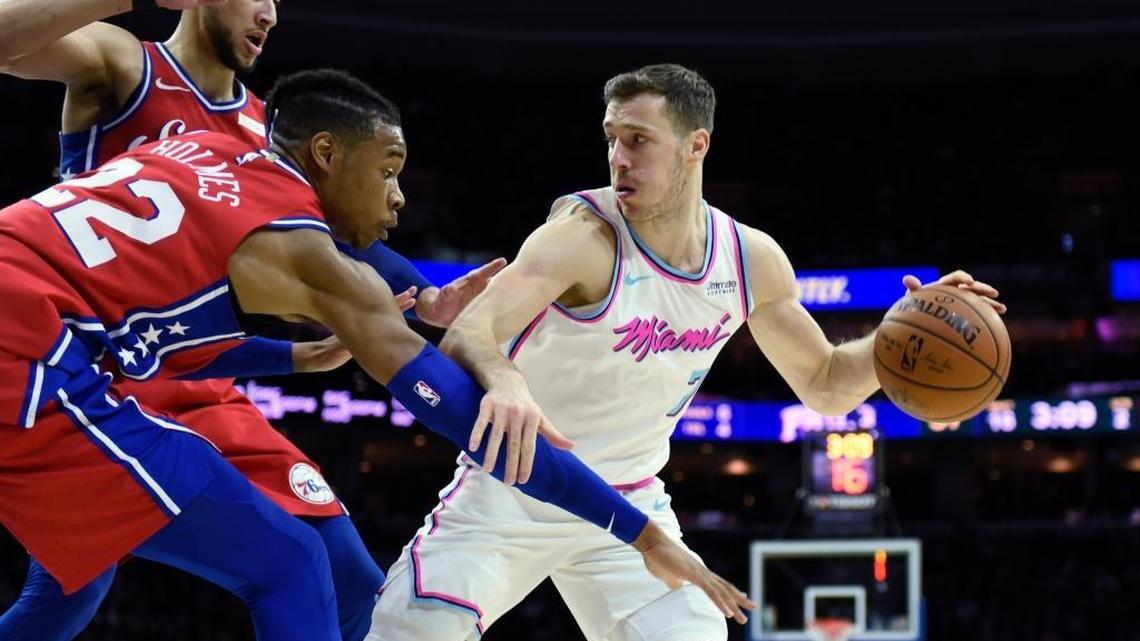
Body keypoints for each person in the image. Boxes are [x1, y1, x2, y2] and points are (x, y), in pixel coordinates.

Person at [0, 67, 755, 641]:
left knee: (75, 580)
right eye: (389, 168)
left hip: (39, 322)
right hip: (28, 357)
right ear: (326, 153)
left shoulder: (206, 147)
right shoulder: (306, 260)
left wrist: (319, 350)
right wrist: (644, 532)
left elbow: (161, 339)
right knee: (291, 561)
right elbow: (472, 421)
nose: (400, 196)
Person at [369, 63, 1006, 641]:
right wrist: (506, 382)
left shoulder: (750, 259)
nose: (619, 158)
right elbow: (469, 333)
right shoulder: (581, 236)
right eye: (612, 138)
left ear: (696, 146)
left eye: (639, 140)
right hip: (515, 490)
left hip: (629, 502)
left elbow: (827, 385)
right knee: (412, 631)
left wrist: (904, 334)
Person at [0, 2, 503, 640]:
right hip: (98, 362)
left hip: (202, 377)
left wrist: (420, 296)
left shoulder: (270, 129)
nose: (269, 12)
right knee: (72, 591)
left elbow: (342, 241)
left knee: (348, 573)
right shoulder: (127, 63)